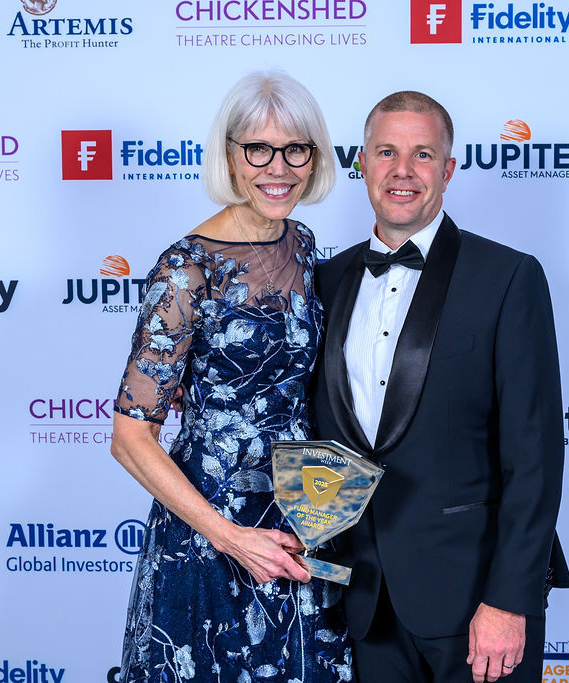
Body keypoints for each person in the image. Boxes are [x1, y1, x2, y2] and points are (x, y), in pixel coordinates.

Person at [313, 91, 569, 683]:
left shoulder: (507, 277)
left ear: (448, 170)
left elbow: (535, 456)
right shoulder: (323, 281)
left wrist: (509, 599)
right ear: (362, 164)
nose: (402, 171)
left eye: (422, 154)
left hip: (477, 603)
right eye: (387, 152)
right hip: (363, 604)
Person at [110, 71, 353, 683]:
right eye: (258, 150)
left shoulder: (302, 243)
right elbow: (130, 438)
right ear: (229, 156)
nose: (279, 168)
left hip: (304, 517)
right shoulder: (187, 269)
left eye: (295, 149)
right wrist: (228, 536)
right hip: (214, 527)